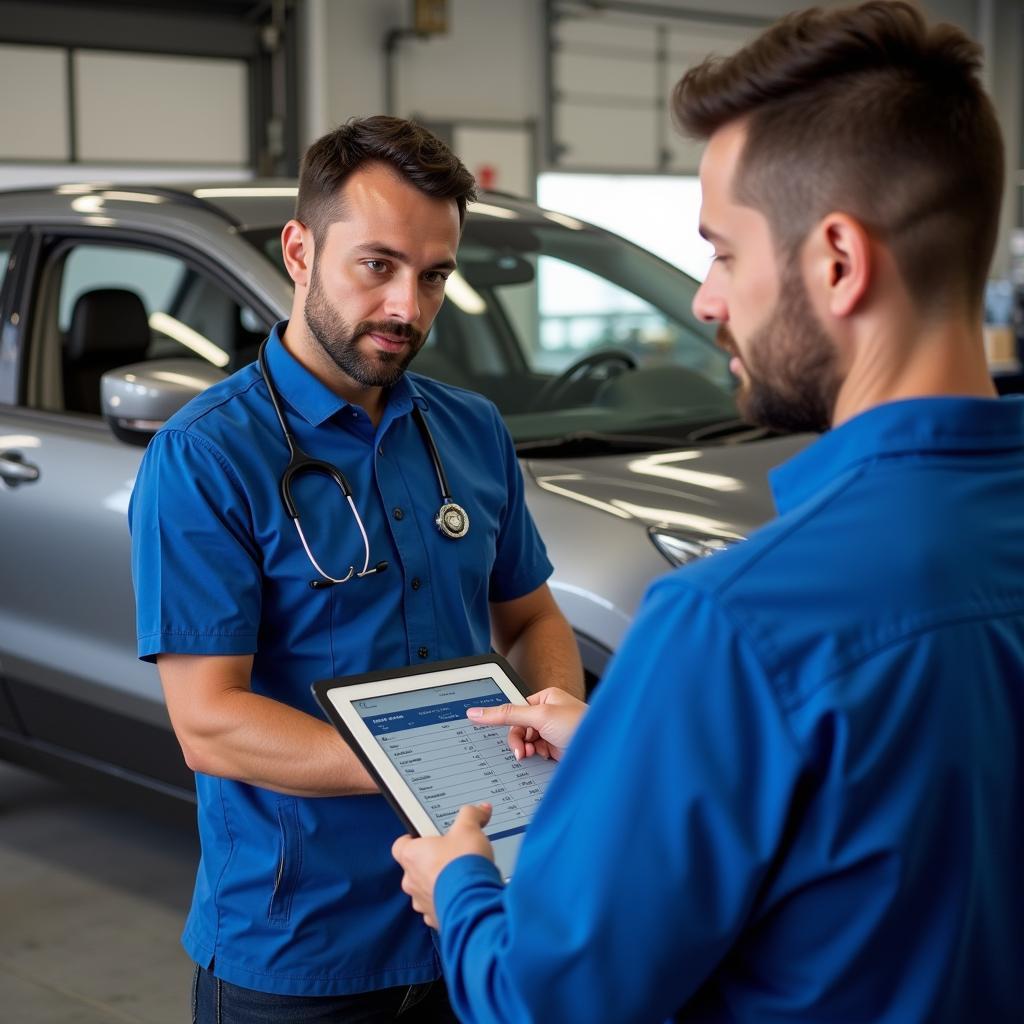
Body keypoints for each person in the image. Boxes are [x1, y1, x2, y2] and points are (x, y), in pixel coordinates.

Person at [391, 4, 1024, 1021]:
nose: (704, 302)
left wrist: (461, 890)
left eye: (723, 253)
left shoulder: (730, 623)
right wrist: (638, 748)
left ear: (836, 261)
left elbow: (553, 1001)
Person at [129, 115, 584, 1022]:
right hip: (302, 949)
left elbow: (532, 621)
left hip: (477, 918)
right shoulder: (206, 457)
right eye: (376, 265)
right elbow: (209, 724)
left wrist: (546, 716)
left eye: (434, 275)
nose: (407, 309)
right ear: (300, 250)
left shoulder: (470, 431)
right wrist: (437, 771)